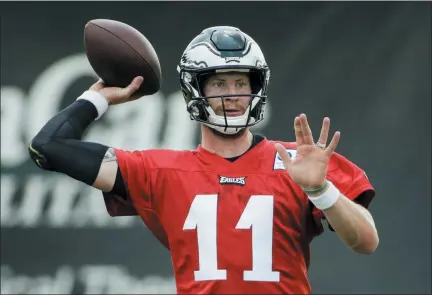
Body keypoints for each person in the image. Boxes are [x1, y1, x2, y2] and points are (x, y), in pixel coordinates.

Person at [28, 26, 379, 294]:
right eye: (219, 84)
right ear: (195, 89)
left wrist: (321, 189)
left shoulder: (298, 162)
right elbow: (50, 146)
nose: (233, 95)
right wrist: (96, 99)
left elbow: (366, 242)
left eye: (242, 82)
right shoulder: (158, 170)